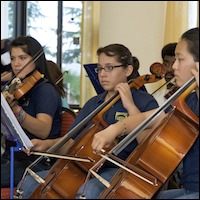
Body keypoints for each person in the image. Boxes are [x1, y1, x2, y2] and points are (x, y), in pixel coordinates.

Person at [17, 43, 159, 199]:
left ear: (128, 70)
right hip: (86, 167)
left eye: (109, 68)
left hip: (122, 170)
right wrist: (48, 145)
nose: (103, 74)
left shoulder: (145, 101)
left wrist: (130, 105)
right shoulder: (93, 103)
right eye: (100, 68)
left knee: (89, 191)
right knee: (29, 184)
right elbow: (72, 143)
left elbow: (148, 146)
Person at [81, 27, 199, 199]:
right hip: (190, 188)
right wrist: (115, 129)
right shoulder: (188, 100)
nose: (174, 66)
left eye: (180, 59)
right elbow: (151, 117)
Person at [1, 36, 62, 188]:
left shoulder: (44, 90)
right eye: (13, 58)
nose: (16, 64)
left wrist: (16, 110)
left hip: (35, 163)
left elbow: (43, 130)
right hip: (11, 157)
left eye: (22, 58)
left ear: (36, 58)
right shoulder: (15, 88)